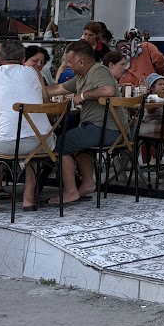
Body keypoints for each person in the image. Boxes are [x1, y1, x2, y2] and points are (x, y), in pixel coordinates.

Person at [0, 38, 55, 210]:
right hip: (42, 143)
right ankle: (28, 200)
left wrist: (1, 112)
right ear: (22, 60)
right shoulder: (35, 73)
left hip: (8, 145)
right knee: (33, 149)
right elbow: (46, 105)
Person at [43, 40, 119, 205]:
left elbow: (108, 90)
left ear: (81, 62)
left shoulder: (98, 70)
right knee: (78, 146)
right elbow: (57, 89)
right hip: (94, 127)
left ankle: (71, 192)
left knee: (60, 144)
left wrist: (83, 96)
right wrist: (31, 87)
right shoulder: (80, 77)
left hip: (108, 128)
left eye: (69, 62)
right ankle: (87, 183)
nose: (67, 65)